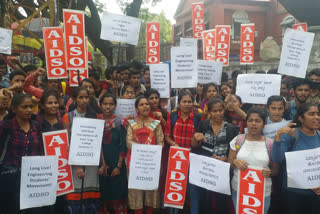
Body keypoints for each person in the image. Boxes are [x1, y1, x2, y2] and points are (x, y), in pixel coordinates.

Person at [191, 98, 238, 214]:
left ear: (224, 110)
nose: (217, 113)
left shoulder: (231, 128)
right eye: (214, 111)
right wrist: (195, 138)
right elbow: (195, 146)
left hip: (223, 170)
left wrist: (225, 159)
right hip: (206, 170)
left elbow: (234, 149)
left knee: (222, 200)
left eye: (220, 110)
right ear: (209, 112)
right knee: (204, 198)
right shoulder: (203, 124)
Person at [228, 107, 279, 214]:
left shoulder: (271, 144)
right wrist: (235, 162)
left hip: (262, 192)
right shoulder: (238, 140)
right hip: (239, 189)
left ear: (263, 124)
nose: (253, 124)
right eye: (250, 120)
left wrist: (270, 172)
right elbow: (230, 162)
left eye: (257, 121)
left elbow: (276, 169)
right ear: (246, 123)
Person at [272, 103, 320, 214]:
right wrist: (278, 136)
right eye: (311, 114)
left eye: (318, 114)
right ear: (301, 118)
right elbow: (277, 158)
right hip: (293, 194)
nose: (316, 117)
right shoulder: (291, 135)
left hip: (315, 195)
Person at [0, 93, 44, 213]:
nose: (29, 110)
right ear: (14, 109)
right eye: (24, 107)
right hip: (10, 177)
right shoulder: (6, 126)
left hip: (32, 179)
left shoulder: (36, 126)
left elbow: (41, 150)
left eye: (30, 106)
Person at [62, 87, 101, 214]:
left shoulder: (95, 116)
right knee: (76, 200)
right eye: (81, 97)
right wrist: (77, 166)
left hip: (92, 163)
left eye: (86, 97)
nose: (84, 100)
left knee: (91, 199)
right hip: (75, 163)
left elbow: (98, 142)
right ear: (74, 99)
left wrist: (103, 163)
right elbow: (68, 143)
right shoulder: (68, 117)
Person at [126, 96, 164, 214]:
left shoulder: (156, 124)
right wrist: (144, 151)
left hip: (151, 162)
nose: (145, 106)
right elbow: (128, 142)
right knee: (136, 191)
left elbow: (161, 142)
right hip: (135, 163)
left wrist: (150, 153)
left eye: (147, 104)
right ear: (137, 108)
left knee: (150, 191)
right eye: (141, 105)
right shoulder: (131, 123)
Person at [98, 93, 128, 214]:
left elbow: (123, 146)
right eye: (105, 104)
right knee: (104, 196)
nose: (108, 107)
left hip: (117, 164)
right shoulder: (95, 121)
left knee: (118, 195)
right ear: (100, 105)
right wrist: (103, 164)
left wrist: (118, 166)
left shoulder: (120, 122)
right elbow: (96, 144)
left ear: (115, 106)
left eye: (111, 104)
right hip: (101, 165)